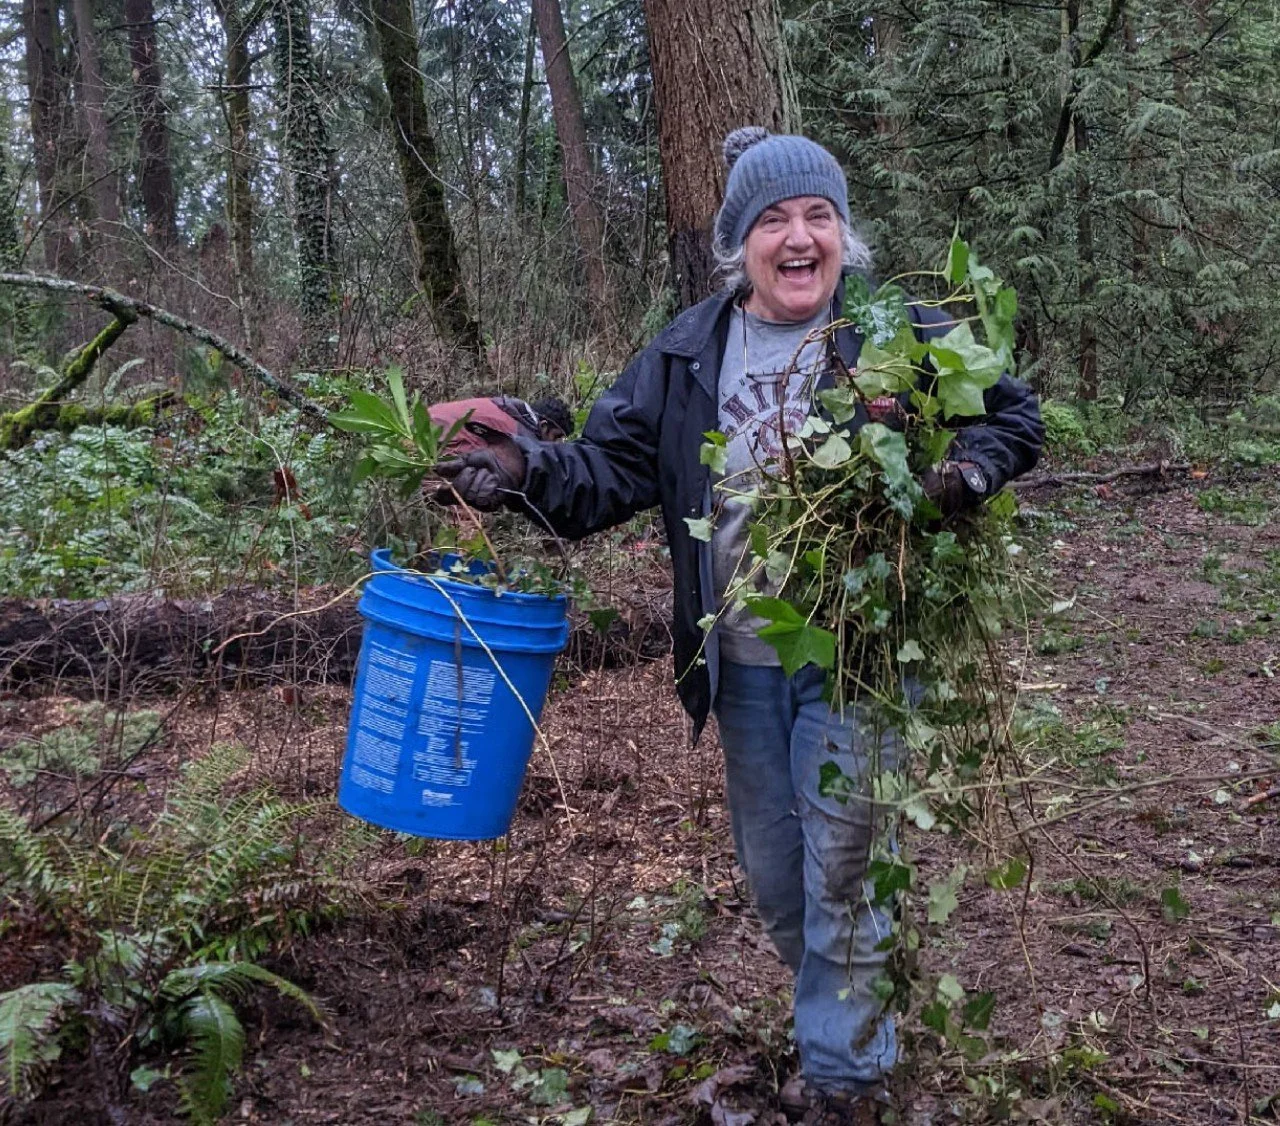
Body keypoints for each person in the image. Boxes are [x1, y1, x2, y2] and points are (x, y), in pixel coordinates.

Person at [438, 128, 1043, 1122]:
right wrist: (523, 472)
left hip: (862, 654)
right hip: (741, 664)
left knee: (843, 860)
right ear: (737, 245)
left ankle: (843, 1083)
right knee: (776, 877)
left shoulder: (896, 333)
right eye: (773, 220)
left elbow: (1010, 416)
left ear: (844, 235)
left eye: (817, 216)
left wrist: (963, 473)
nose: (798, 237)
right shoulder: (683, 354)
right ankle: (855, 1026)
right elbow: (608, 470)